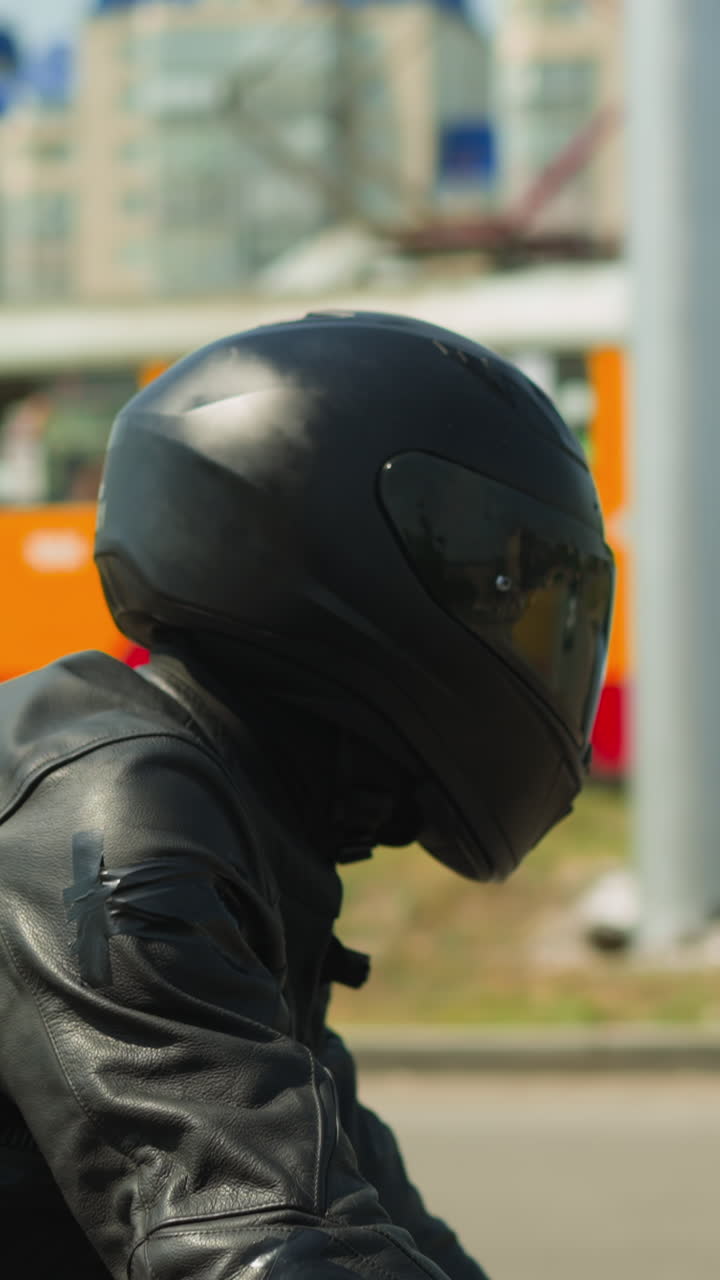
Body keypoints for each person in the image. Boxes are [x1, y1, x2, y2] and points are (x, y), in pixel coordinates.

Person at [0, 311, 614, 1279]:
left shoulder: (242, 806)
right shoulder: (111, 806)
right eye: (502, 590)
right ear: (357, 552)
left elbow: (352, 1201)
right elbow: (258, 1235)